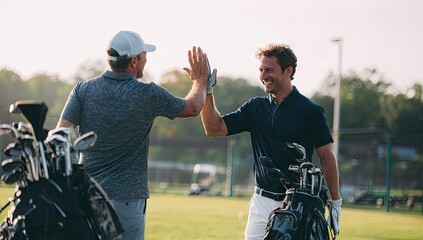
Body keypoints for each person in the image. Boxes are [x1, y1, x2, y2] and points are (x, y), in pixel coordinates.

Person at [56, 30, 209, 240]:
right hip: (126, 202)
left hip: (86, 197)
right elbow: (192, 108)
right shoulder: (149, 94)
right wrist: (200, 80)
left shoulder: (82, 90)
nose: (146, 59)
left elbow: (60, 134)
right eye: (144, 55)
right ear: (134, 61)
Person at [201, 43, 342, 239]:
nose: (263, 75)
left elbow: (327, 156)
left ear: (288, 71)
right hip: (261, 202)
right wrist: (206, 90)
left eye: (269, 70)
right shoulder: (255, 107)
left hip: (297, 205)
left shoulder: (310, 111)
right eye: (261, 70)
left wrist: (336, 201)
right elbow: (214, 128)